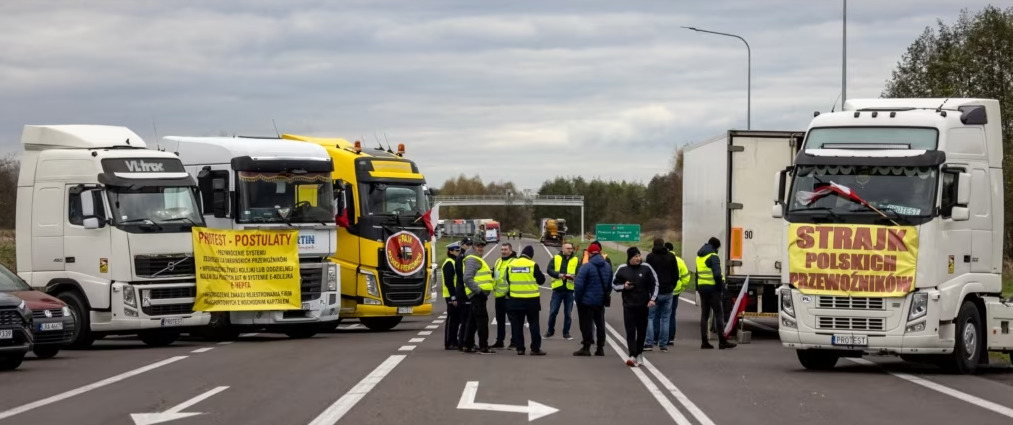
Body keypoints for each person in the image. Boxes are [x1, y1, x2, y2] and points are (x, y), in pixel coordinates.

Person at [612, 247, 658, 367]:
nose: (638, 258)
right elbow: (614, 284)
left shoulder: (647, 268)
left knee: (642, 331)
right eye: (635, 256)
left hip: (643, 305)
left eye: (639, 256)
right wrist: (624, 287)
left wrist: (653, 299)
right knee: (630, 331)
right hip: (629, 306)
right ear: (630, 258)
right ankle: (632, 355)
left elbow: (655, 283)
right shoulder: (622, 269)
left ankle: (639, 354)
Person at [697, 237, 737, 350]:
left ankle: (704, 342)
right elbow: (717, 275)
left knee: (704, 315)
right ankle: (722, 341)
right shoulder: (713, 256)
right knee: (719, 314)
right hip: (713, 289)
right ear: (715, 247)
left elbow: (697, 274)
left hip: (702, 289)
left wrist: (698, 288)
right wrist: (720, 288)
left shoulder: (699, 256)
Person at [506, 245, 547, 355]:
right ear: (531, 255)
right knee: (534, 325)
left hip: (515, 300)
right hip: (531, 301)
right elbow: (541, 280)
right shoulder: (533, 265)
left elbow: (508, 280)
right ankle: (535, 348)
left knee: (517, 326)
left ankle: (520, 348)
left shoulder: (511, 264)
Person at [573, 243, 612, 357]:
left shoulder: (586, 266)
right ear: (600, 253)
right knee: (600, 324)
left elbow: (579, 285)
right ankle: (600, 348)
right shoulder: (607, 266)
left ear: (589, 253)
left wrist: (578, 299)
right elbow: (609, 284)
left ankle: (586, 347)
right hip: (600, 301)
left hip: (587, 300)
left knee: (586, 324)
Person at [644, 238, 678, 352]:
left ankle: (649, 342)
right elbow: (676, 274)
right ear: (663, 245)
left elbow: (646, 274)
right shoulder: (671, 256)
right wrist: (672, 285)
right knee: (665, 318)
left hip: (654, 292)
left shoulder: (650, 257)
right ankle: (663, 344)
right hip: (668, 290)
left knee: (650, 317)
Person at [463, 239, 495, 354]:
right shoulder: (472, 259)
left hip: (478, 295)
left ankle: (468, 344)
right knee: (482, 321)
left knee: (472, 321)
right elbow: (467, 278)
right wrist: (479, 291)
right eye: (478, 246)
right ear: (473, 247)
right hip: (477, 295)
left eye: (482, 246)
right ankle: (483, 347)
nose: (481, 248)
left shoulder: (475, 258)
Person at [545, 242, 578, 340]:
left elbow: (579, 271)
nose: (570, 250)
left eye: (571, 248)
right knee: (553, 312)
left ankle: (566, 333)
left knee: (568, 313)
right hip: (558, 289)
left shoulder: (575, 259)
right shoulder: (556, 258)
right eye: (568, 248)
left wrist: (573, 277)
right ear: (563, 249)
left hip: (569, 290)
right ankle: (550, 331)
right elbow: (549, 270)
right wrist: (559, 275)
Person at [492, 243, 517, 349]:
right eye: (502, 249)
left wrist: (510, 293)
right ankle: (499, 341)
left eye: (505, 249)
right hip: (499, 295)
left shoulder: (514, 262)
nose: (503, 251)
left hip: (509, 296)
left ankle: (514, 341)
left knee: (513, 320)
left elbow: (515, 279)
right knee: (500, 319)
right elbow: (495, 275)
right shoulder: (498, 261)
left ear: (510, 251)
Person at [666, 241, 691, 346]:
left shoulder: (663, 259)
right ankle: (671, 338)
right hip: (676, 292)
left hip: (664, 291)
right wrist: (682, 287)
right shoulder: (679, 261)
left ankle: (659, 337)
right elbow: (686, 276)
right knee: (672, 316)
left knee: (662, 316)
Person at [442, 242, 463, 350]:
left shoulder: (454, 262)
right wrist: (453, 297)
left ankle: (454, 341)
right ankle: (450, 342)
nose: (458, 252)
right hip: (450, 295)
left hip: (455, 294)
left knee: (456, 320)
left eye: (459, 250)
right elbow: (449, 282)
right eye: (456, 251)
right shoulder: (449, 263)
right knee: (452, 320)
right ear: (450, 251)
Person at [456, 237, 475, 351]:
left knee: (468, 319)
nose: (469, 246)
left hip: (464, 291)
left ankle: (465, 341)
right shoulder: (462, 258)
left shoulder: (466, 257)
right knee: (466, 320)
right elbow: (463, 276)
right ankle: (463, 342)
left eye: (470, 245)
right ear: (462, 245)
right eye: (467, 244)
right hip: (463, 292)